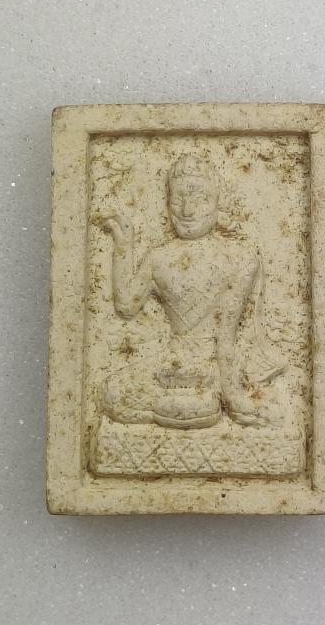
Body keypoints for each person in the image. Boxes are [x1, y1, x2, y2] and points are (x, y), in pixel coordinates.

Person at [94, 154, 285, 429]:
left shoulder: (240, 258)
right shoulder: (158, 257)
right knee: (112, 392)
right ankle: (187, 410)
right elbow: (126, 306)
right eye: (178, 199)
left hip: (213, 365)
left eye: (200, 199)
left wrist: (232, 395)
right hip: (171, 362)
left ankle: (198, 407)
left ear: (218, 202)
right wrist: (124, 242)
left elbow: (227, 334)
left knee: (200, 398)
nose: (187, 210)